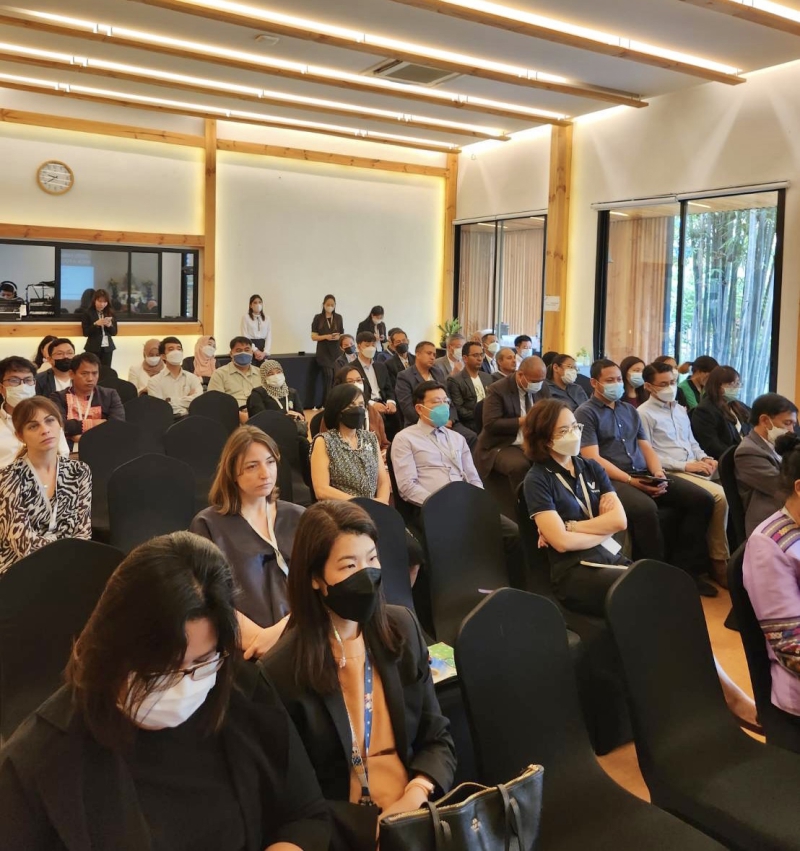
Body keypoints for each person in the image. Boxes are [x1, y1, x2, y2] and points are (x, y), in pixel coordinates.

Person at [0, 531, 331, 849]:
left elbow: (305, 815)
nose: (182, 684)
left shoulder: (242, 692)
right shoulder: (39, 762)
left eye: (201, 662)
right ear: (111, 648)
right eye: (159, 669)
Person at [257, 501, 456, 850]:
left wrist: (414, 796)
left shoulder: (403, 628)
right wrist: (370, 831)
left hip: (416, 815)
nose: (366, 574)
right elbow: (295, 798)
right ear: (315, 578)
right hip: (343, 834)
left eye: (372, 559)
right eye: (349, 565)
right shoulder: (280, 671)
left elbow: (437, 738)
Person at [575, 359, 718, 595]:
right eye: (609, 380)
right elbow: (592, 457)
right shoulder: (585, 412)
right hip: (612, 479)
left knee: (702, 499)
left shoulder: (629, 410)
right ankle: (654, 578)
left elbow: (646, 447)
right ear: (594, 383)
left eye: (618, 379)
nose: (616, 384)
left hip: (643, 472)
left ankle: (685, 570)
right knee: (645, 509)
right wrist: (630, 480)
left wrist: (658, 473)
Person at [191, 427, 304, 661]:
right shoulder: (208, 524)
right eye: (252, 466)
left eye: (270, 462)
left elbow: (321, 583)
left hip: (304, 637)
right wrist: (259, 640)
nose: (265, 474)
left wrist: (283, 634)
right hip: (244, 648)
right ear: (232, 472)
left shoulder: (300, 517)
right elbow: (209, 598)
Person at [523, 399, 629, 615]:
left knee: (656, 580)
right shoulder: (537, 479)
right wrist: (604, 528)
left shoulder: (591, 466)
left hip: (608, 555)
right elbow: (562, 544)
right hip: (573, 569)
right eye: (564, 431)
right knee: (636, 589)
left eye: (575, 426)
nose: (574, 434)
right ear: (545, 440)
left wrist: (571, 527)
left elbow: (620, 522)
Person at [638, 361, 730, 587]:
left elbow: (692, 442)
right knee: (720, 497)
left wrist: (705, 458)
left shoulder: (680, 410)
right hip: (670, 470)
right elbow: (648, 454)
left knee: (733, 481)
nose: (670, 387)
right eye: (663, 384)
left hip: (693, 464)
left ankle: (731, 553)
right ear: (648, 387)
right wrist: (686, 466)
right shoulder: (643, 414)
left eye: (672, 382)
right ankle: (718, 560)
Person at [0, 397, 91, 573]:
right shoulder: (8, 477)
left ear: (60, 425)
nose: (45, 430)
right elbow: (24, 545)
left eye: (50, 421)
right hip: (18, 567)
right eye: (33, 426)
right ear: (20, 436)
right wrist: (66, 550)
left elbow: (83, 532)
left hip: (69, 562)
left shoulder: (80, 471)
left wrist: (71, 559)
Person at [475, 355, 549, 492]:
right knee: (520, 466)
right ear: (520, 375)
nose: (538, 385)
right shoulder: (498, 389)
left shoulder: (542, 387)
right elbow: (491, 424)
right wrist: (525, 420)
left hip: (532, 440)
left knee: (554, 458)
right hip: (504, 443)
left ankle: (546, 499)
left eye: (541, 380)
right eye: (534, 381)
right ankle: (521, 502)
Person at [310, 383, 390, 504]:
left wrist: (381, 503)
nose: (358, 410)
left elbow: (383, 482)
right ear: (338, 409)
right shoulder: (324, 441)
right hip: (341, 509)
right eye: (351, 406)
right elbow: (321, 490)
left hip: (373, 507)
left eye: (361, 405)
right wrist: (362, 503)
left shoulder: (370, 438)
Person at [736, 393, 798, 536]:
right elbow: (782, 487)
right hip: (770, 520)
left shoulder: (778, 445)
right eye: (787, 423)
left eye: (793, 424)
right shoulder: (748, 451)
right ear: (764, 420)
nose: (792, 431)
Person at [0, 356, 69, 467]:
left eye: (28, 380)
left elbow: (63, 455)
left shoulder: (48, 419)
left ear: (35, 384)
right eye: (14, 380)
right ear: (1, 388)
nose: (22, 386)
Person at [51, 353, 125, 446]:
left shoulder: (109, 395)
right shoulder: (58, 397)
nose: (90, 379)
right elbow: (60, 425)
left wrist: (82, 437)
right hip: (67, 448)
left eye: (94, 373)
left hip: (103, 445)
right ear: (71, 374)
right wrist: (97, 423)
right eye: (84, 374)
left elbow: (117, 425)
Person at [248, 360, 310, 466]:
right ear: (264, 377)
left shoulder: (292, 392)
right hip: (269, 435)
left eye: (278, 372)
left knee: (304, 443)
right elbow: (259, 419)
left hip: (292, 433)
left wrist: (298, 417)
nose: (276, 376)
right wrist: (283, 416)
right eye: (270, 374)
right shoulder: (258, 394)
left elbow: (301, 415)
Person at [320, 366, 389, 456]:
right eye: (350, 381)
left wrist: (385, 453)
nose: (356, 384)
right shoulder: (333, 414)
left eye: (359, 380)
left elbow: (384, 444)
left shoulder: (372, 412)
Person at [691, 365, 752, 459]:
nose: (736, 388)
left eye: (737, 383)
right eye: (731, 384)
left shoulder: (738, 405)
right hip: (727, 459)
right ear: (717, 386)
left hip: (746, 455)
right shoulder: (705, 410)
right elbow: (712, 446)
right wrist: (740, 456)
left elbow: (752, 427)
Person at [350, 332, 398, 434]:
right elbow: (354, 392)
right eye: (367, 345)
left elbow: (389, 388)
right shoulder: (351, 368)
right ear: (359, 347)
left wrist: (391, 402)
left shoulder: (380, 366)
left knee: (397, 421)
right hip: (365, 405)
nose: (371, 348)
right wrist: (372, 404)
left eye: (373, 345)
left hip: (384, 404)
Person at [208, 337, 263, 422]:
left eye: (247, 350)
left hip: (260, 414)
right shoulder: (220, 374)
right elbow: (216, 402)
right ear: (231, 354)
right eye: (239, 350)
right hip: (232, 416)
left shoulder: (261, 373)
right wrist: (238, 414)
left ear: (252, 352)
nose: (243, 353)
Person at [146, 337, 203, 418]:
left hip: (191, 420)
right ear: (163, 356)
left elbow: (198, 402)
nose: (176, 352)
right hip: (167, 421)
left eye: (179, 349)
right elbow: (160, 408)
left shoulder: (193, 378)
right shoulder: (154, 381)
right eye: (171, 349)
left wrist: (169, 400)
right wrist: (187, 401)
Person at [447, 340, 493, 432]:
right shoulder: (455, 380)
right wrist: (481, 414)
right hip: (471, 423)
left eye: (481, 355)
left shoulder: (487, 377)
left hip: (489, 420)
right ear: (465, 358)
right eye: (475, 355)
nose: (480, 358)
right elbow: (459, 409)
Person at [311, 294, 344, 405]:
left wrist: (337, 337)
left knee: (336, 377)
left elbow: (342, 334)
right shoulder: (318, 318)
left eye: (332, 305)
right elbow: (313, 337)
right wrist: (326, 336)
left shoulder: (338, 317)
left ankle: (336, 401)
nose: (330, 307)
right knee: (328, 376)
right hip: (323, 352)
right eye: (328, 304)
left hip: (336, 351)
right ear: (324, 305)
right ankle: (327, 403)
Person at [81, 288, 117, 368]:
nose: (102, 304)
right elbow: (85, 333)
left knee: (106, 370)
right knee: (92, 368)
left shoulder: (110, 313)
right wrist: (96, 324)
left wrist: (110, 326)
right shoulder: (88, 313)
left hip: (107, 348)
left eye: (105, 302)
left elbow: (114, 333)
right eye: (100, 301)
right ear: (94, 300)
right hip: (93, 347)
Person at [241, 293, 271, 361]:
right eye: (255, 302)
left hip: (263, 347)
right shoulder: (246, 318)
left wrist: (265, 352)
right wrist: (255, 350)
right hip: (250, 346)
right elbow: (245, 336)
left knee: (264, 366)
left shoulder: (267, 318)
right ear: (250, 305)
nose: (258, 304)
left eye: (260, 302)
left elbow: (269, 336)